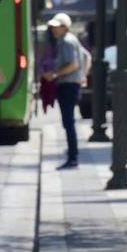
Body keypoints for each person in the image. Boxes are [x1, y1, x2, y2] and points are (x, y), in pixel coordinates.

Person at [43, 13, 85, 169]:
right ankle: (72, 157)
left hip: (68, 85)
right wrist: (82, 76)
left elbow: (73, 64)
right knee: (68, 122)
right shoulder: (70, 40)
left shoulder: (67, 41)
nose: (53, 29)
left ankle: (73, 158)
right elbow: (85, 58)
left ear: (64, 27)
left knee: (69, 122)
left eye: (56, 26)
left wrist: (55, 74)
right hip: (71, 84)